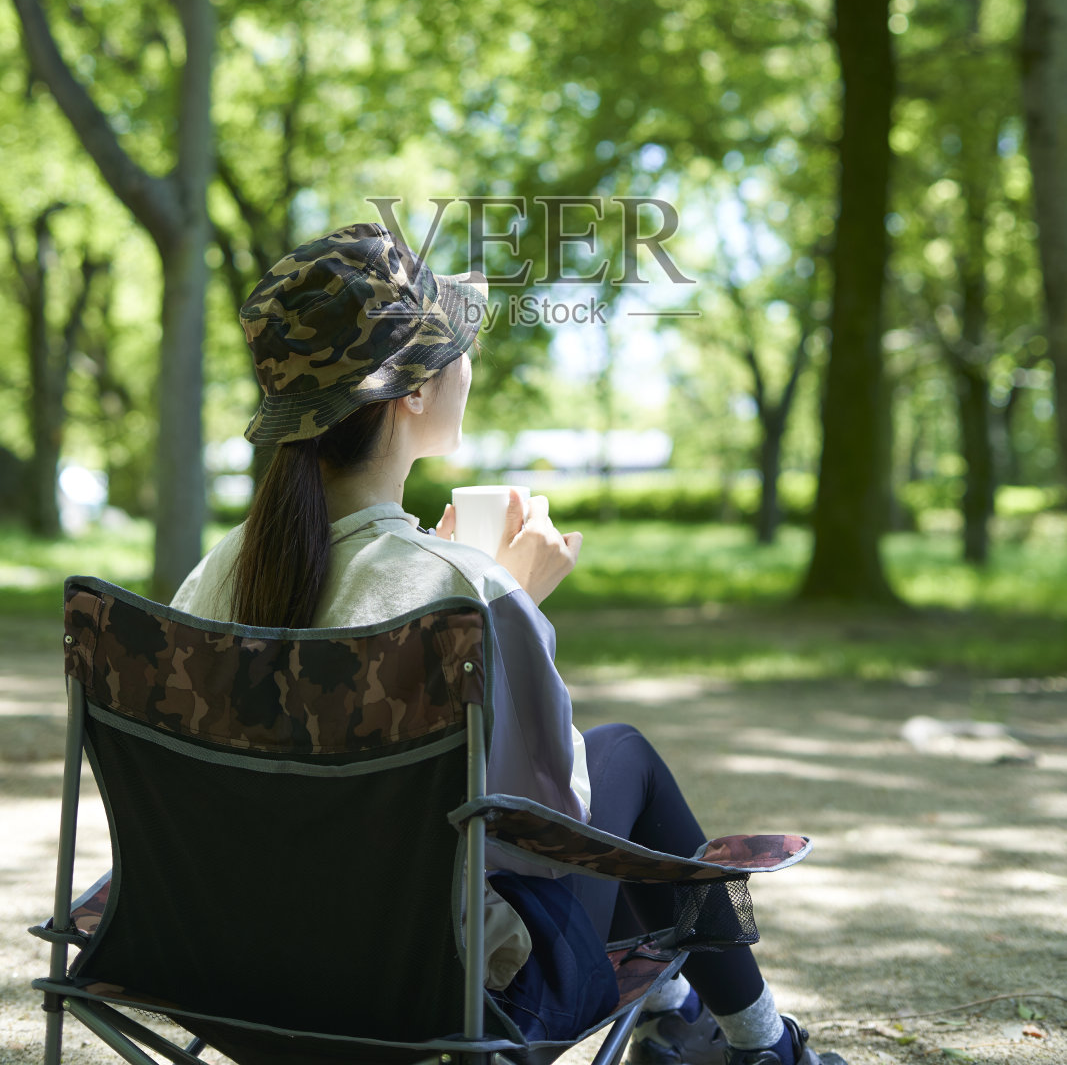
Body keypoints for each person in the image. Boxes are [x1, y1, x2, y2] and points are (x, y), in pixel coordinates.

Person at [172, 223, 845, 1065]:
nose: (469, 368)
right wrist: (507, 601)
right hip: (441, 999)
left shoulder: (214, 576)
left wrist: (479, 603)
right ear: (411, 391)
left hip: (231, 977)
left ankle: (683, 1017)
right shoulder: (467, 590)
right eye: (459, 349)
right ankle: (764, 1047)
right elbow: (546, 833)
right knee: (621, 756)